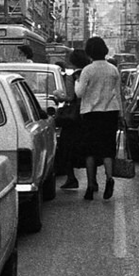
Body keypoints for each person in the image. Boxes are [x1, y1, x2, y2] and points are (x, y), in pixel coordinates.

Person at [75, 37, 122, 200]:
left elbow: (79, 93)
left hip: (90, 113)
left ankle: (90, 186)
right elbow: (118, 93)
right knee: (107, 149)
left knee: (90, 151)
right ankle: (109, 179)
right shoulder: (113, 70)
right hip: (110, 112)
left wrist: (76, 83)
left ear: (89, 52)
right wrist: (121, 114)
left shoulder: (87, 70)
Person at [54, 49, 91, 189]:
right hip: (87, 115)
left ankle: (71, 178)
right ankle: (91, 180)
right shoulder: (90, 73)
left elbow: (69, 97)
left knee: (67, 147)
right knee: (87, 149)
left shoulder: (72, 76)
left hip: (73, 118)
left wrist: (58, 95)